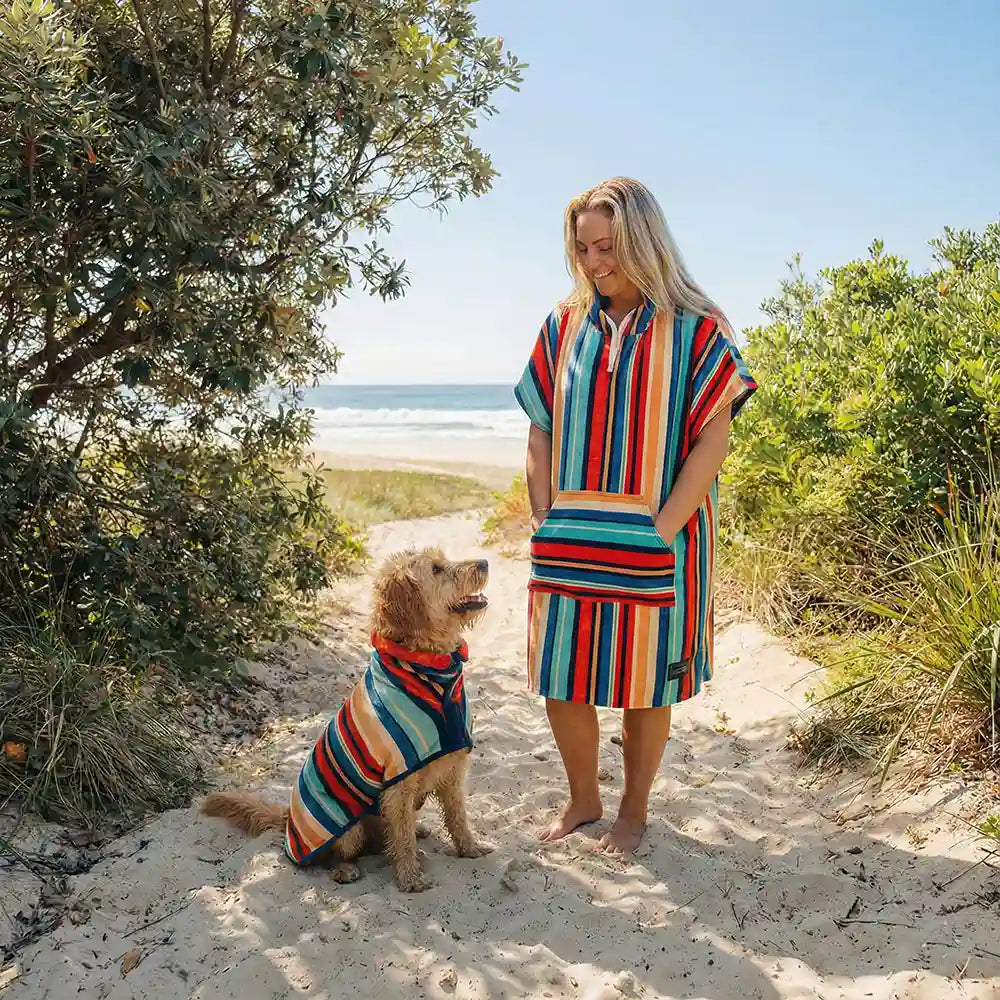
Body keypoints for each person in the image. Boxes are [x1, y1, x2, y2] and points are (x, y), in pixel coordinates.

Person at [513, 177, 757, 856]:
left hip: (659, 537)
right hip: (570, 536)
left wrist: (666, 527)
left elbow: (714, 434)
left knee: (646, 680)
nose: (594, 262)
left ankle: (634, 811)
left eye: (608, 247)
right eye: (584, 248)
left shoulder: (698, 327)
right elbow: (539, 426)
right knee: (563, 670)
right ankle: (583, 798)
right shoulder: (563, 325)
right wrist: (542, 518)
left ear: (643, 241)